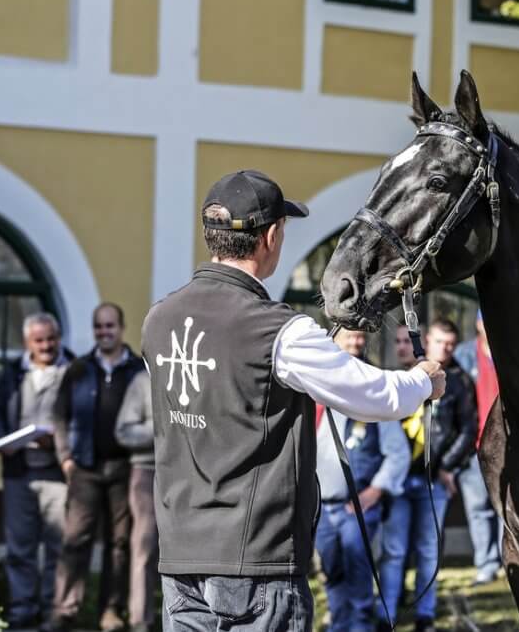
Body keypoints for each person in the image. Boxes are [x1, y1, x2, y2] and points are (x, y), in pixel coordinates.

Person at [145, 169, 445, 632]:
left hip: (179, 555)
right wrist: (423, 380)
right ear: (271, 236)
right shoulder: (277, 330)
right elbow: (375, 397)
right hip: (256, 561)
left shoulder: (158, 319)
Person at [47, 303, 145, 632]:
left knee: (119, 544)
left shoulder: (137, 368)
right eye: (99, 327)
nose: (105, 332)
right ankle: (65, 611)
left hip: (124, 467)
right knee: (75, 539)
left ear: (121, 328)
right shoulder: (78, 368)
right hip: (85, 467)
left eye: (110, 326)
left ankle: (111, 611)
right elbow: (59, 414)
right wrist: (65, 457)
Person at [378, 319, 477, 632]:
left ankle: (425, 616)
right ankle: (387, 616)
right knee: (393, 550)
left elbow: (468, 429)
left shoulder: (460, 381)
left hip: (434, 479)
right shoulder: (405, 376)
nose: (445, 349)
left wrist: (447, 466)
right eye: (439, 342)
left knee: (428, 549)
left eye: (450, 344)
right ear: (427, 342)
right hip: (399, 477)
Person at [315, 329, 411, 632]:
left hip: (356, 507)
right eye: (349, 337)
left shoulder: (374, 388)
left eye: (360, 337)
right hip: (322, 507)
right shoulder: (316, 387)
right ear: (334, 340)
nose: (356, 342)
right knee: (332, 575)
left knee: (358, 578)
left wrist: (375, 490)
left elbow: (398, 453)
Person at [0, 313, 73, 628]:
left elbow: (82, 417)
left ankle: (53, 611)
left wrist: (62, 442)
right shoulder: (13, 373)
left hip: (56, 474)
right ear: (27, 343)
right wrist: (2, 441)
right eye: (39, 341)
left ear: (58, 337)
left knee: (56, 547)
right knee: (20, 547)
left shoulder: (72, 370)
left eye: (51, 339)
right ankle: (22, 610)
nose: (46, 346)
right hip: (18, 471)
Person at [451, 311, 503, 586]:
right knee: (478, 507)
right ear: (478, 323)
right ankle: (486, 563)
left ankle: (509, 560)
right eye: (485, 320)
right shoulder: (463, 355)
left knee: (507, 507)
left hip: (509, 446)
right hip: (474, 445)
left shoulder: (511, 350)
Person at [114, 368, 157, 632]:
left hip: (190, 472)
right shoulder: (142, 381)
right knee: (145, 546)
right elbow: (124, 431)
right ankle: (140, 621)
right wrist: (164, 427)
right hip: (147, 471)